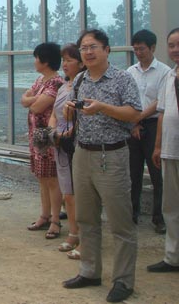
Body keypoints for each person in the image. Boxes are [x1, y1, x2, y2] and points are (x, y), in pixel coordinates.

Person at [62, 29, 142, 303]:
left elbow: (134, 113)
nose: (88, 52)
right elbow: (75, 113)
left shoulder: (122, 79)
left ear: (107, 50)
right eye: (84, 48)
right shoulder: (80, 79)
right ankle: (89, 271)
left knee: (120, 222)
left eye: (93, 46)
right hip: (83, 153)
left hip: (113, 155)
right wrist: (70, 109)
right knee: (86, 218)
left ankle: (123, 280)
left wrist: (102, 107)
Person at [127, 29, 170, 233]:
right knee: (133, 173)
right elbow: (127, 99)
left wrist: (139, 117)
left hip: (154, 125)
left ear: (152, 48)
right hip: (133, 126)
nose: (138, 53)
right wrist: (133, 123)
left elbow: (160, 101)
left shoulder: (164, 72)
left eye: (142, 49)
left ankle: (159, 218)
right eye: (135, 49)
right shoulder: (130, 71)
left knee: (156, 173)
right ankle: (132, 213)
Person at [22, 43, 64, 239]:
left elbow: (37, 107)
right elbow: (25, 100)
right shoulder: (41, 80)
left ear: (45, 61)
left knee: (52, 180)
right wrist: (33, 99)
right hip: (37, 139)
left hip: (49, 140)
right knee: (42, 178)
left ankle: (55, 220)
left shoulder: (56, 82)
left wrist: (31, 100)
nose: (34, 61)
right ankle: (44, 215)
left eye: (36, 58)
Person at [148, 27, 179, 273]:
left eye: (178, 45)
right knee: (171, 206)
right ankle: (173, 257)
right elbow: (162, 113)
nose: (175, 49)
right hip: (170, 149)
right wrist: (158, 146)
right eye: (171, 45)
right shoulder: (170, 76)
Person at [48, 44, 84, 260]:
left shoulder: (83, 86)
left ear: (80, 62)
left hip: (77, 143)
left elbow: (83, 115)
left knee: (81, 193)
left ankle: (84, 236)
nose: (65, 64)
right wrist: (53, 131)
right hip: (60, 144)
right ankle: (73, 233)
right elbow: (54, 113)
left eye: (69, 60)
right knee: (68, 194)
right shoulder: (63, 87)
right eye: (64, 60)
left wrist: (71, 131)